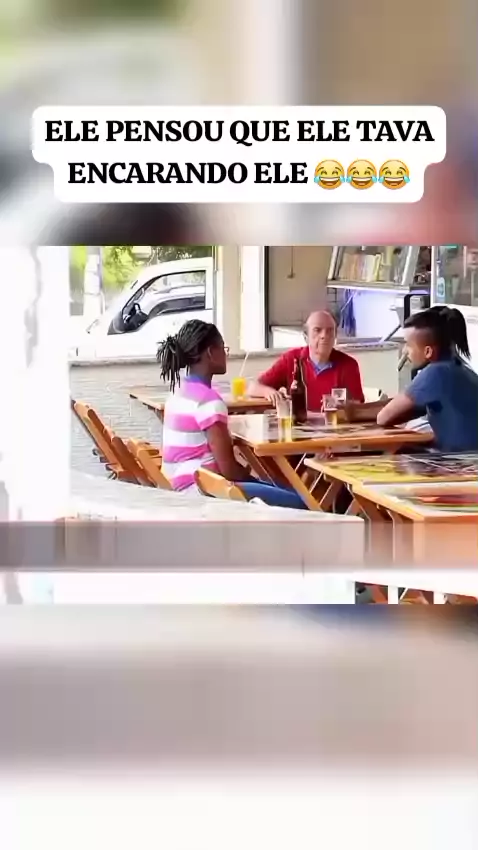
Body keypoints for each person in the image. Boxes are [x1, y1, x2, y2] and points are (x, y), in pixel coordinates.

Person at [157, 319, 307, 509]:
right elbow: (229, 470)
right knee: (300, 501)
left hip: (176, 488)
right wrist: (260, 482)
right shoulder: (208, 401)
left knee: (280, 488)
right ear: (211, 353)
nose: (226, 354)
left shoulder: (178, 391)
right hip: (202, 492)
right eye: (223, 348)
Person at [377, 306, 478, 452]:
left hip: (463, 461)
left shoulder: (436, 372)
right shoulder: (462, 369)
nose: (405, 351)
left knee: (391, 452)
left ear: (428, 351)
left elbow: (383, 418)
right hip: (469, 457)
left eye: (408, 345)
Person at [248, 310, 365, 410]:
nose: (324, 335)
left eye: (330, 330)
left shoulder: (349, 365)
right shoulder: (291, 359)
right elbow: (253, 388)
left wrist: (342, 405)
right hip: (298, 425)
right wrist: (269, 392)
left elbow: (359, 405)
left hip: (335, 426)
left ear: (335, 336)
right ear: (306, 336)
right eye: (317, 330)